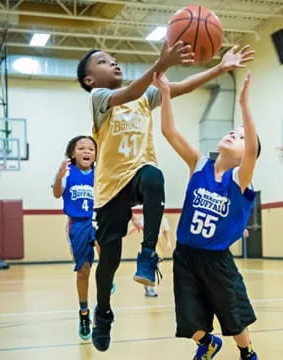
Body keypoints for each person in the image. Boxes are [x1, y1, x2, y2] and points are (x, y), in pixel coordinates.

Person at [76, 40, 255, 352]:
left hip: (138, 175)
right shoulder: (100, 98)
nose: (114, 63)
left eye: (115, 59)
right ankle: (103, 312)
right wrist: (162, 64)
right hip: (109, 190)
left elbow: (181, 87)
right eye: (104, 62)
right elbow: (129, 93)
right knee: (109, 262)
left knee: (154, 175)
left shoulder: (145, 96)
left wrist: (220, 68)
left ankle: (148, 254)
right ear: (90, 79)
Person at [154, 62, 259, 360]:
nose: (232, 135)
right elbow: (169, 131)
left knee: (234, 318)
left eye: (239, 137)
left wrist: (243, 105)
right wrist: (164, 92)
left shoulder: (239, 179)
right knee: (189, 322)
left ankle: (247, 352)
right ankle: (209, 343)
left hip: (217, 261)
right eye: (231, 131)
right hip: (186, 255)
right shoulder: (199, 165)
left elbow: (252, 149)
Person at [52, 135, 98, 340]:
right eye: (82, 148)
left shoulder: (101, 173)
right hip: (77, 224)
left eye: (91, 148)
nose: (87, 151)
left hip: (97, 220)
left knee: (106, 249)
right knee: (83, 271)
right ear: (73, 153)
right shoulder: (68, 172)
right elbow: (56, 193)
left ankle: (107, 280)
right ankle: (84, 312)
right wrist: (58, 175)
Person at [125, 213, 173, 297]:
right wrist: (126, 233)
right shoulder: (147, 217)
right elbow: (137, 226)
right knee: (149, 266)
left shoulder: (163, 219)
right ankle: (149, 287)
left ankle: (148, 285)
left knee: (155, 266)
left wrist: (169, 242)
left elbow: (166, 231)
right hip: (149, 246)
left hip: (159, 246)